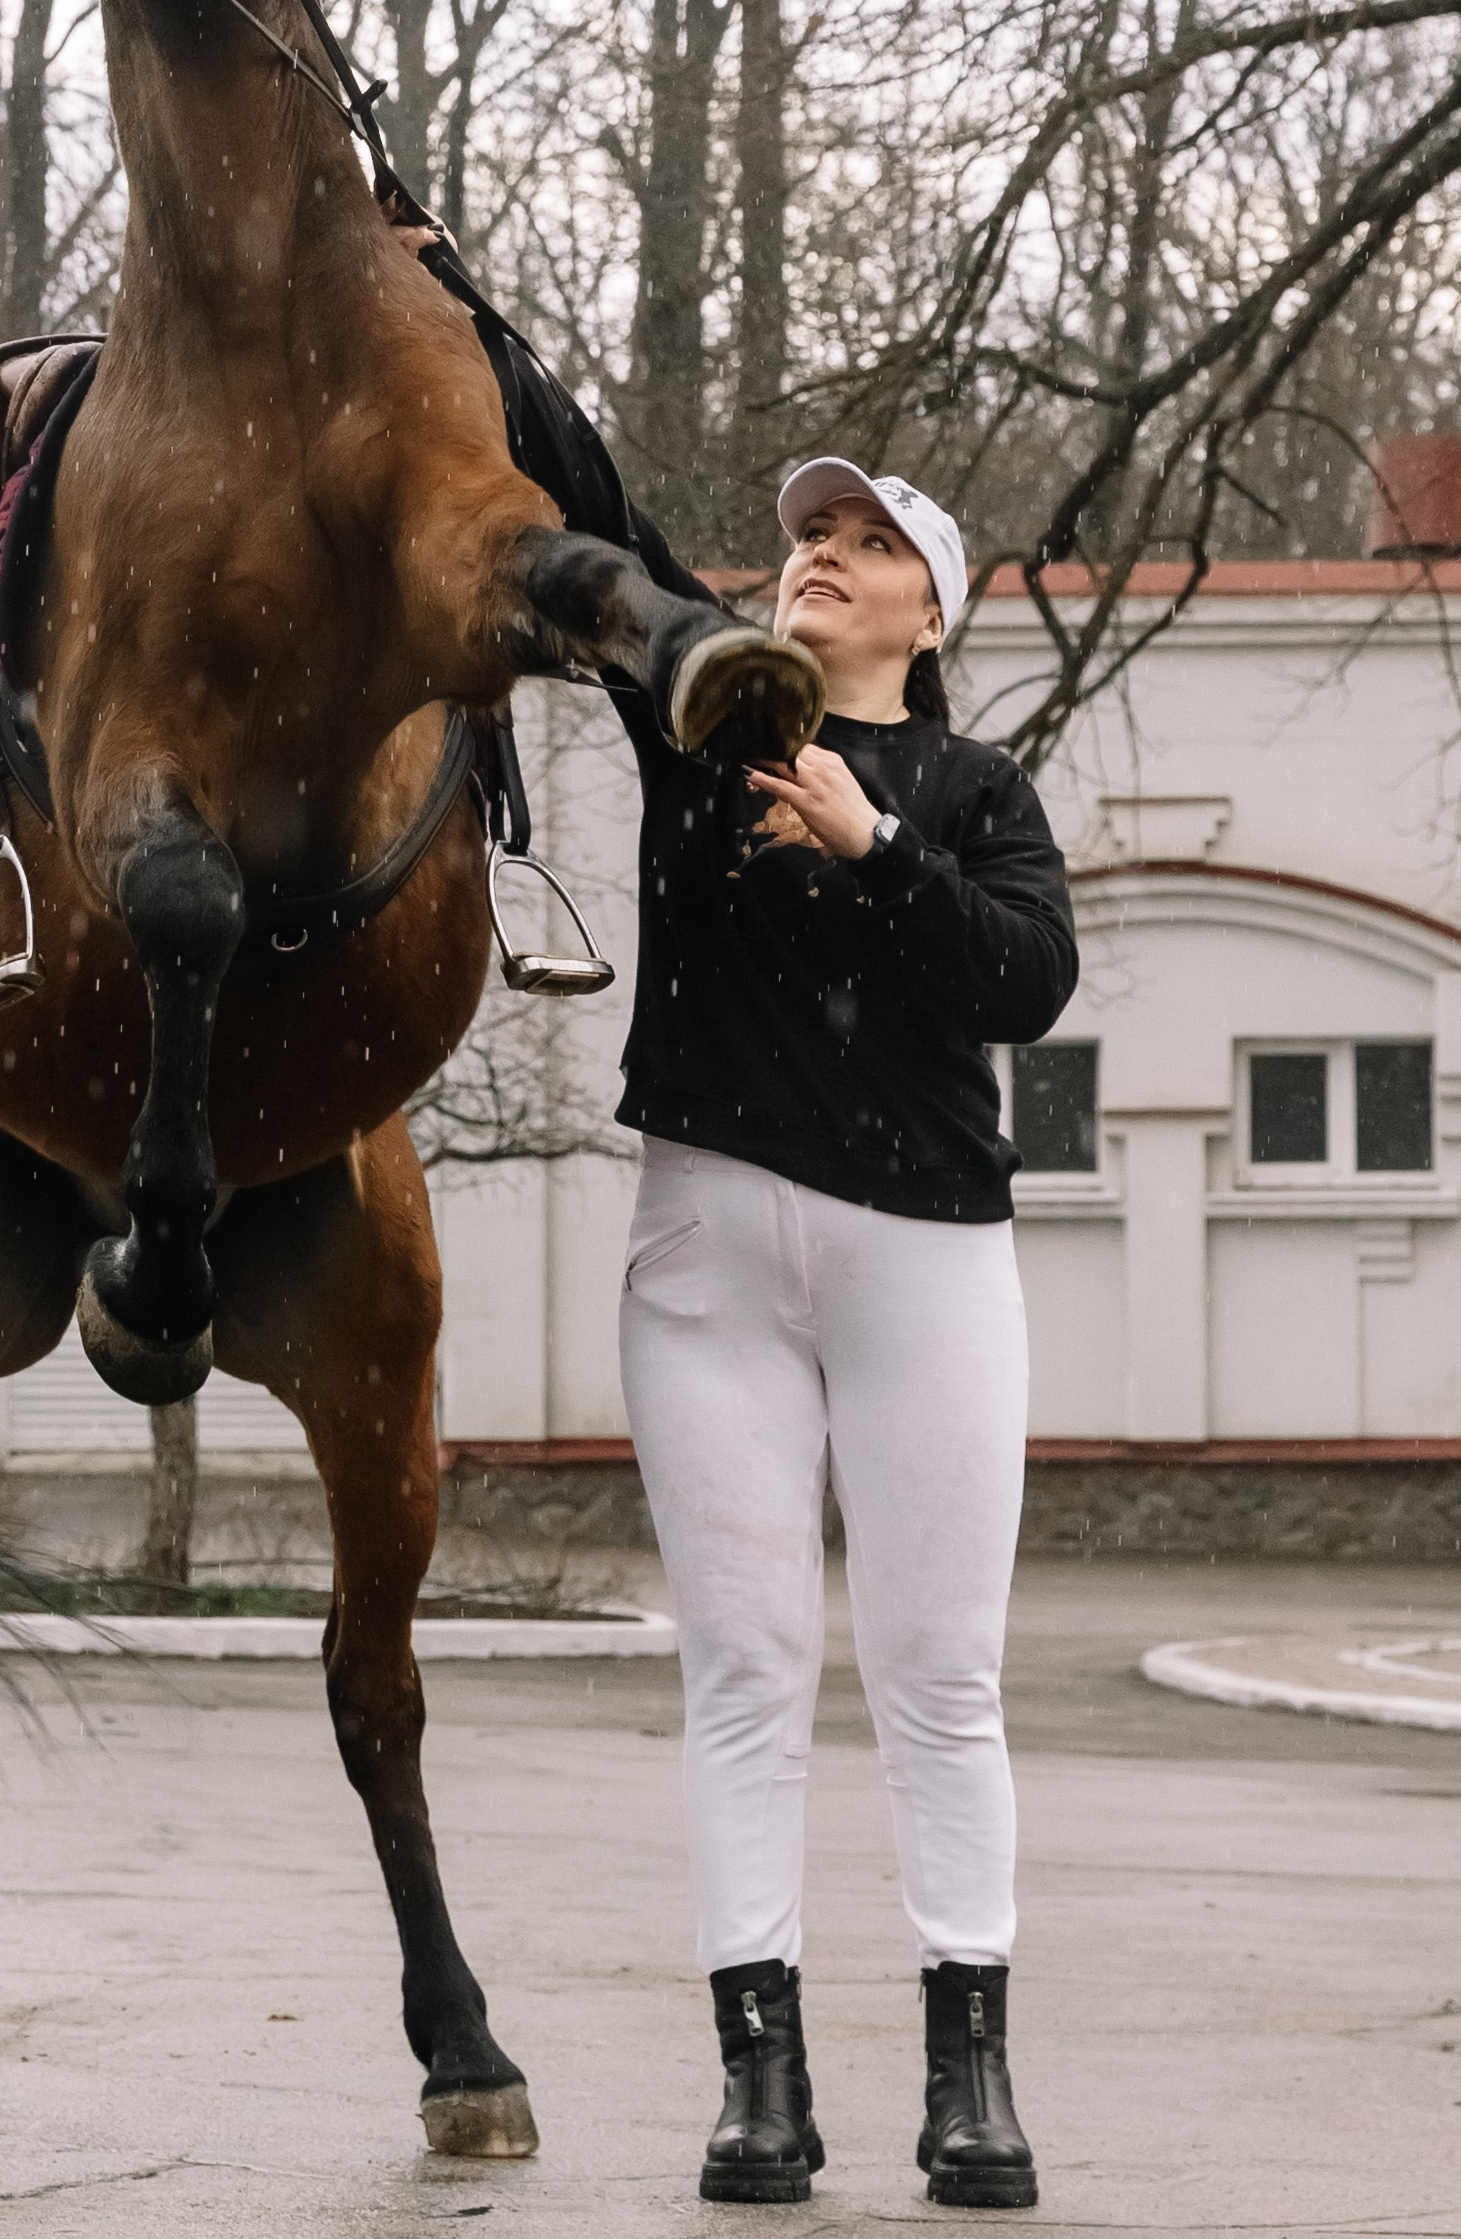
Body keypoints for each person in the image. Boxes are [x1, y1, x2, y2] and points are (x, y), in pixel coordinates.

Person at [616, 457, 1077, 2211]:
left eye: (871, 542)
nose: (825, 554)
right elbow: (586, 508)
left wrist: (874, 843)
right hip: (705, 1258)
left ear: (928, 610)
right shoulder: (699, 742)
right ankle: (762, 2085)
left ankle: (971, 2083)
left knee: (937, 1677)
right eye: (813, 533)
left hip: (928, 1260)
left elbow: (1026, 982)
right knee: (740, 1671)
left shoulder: (974, 788)